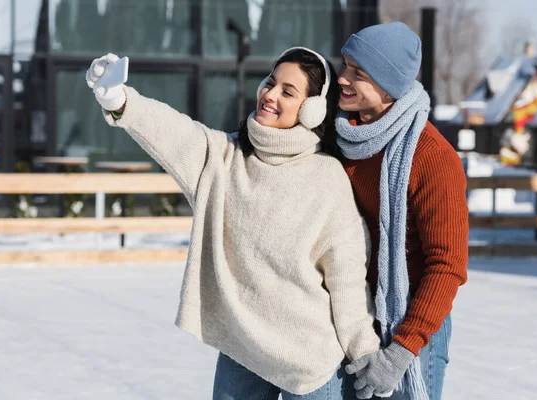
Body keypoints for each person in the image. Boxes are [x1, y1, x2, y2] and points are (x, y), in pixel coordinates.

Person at [86, 47, 381, 400]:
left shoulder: (326, 179)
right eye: (270, 83)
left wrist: (364, 351)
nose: (270, 95)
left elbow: (346, 278)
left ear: (312, 109)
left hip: (310, 363)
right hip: (243, 348)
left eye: (288, 92)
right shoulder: (224, 159)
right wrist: (120, 101)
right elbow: (172, 131)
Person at [334, 22, 469, 400]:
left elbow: (448, 265)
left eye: (357, 73)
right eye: (345, 65)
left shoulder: (432, 157)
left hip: (411, 325)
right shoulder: (343, 136)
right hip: (356, 316)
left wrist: (400, 352)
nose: (343, 79)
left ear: (387, 85)